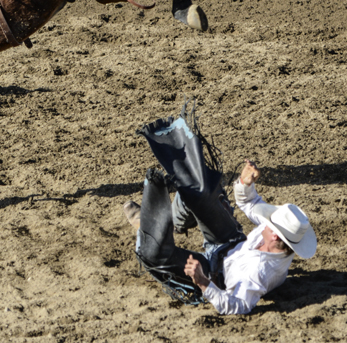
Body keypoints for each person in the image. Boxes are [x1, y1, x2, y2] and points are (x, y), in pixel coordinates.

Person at [124, 113, 317, 316]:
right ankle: (165, 222)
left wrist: (203, 282)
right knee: (198, 190)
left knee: (154, 255)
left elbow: (238, 306)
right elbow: (250, 203)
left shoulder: (259, 273)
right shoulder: (278, 233)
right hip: (229, 239)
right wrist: (245, 184)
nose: (267, 221)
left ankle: (146, 228)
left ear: (275, 235)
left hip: (213, 272)